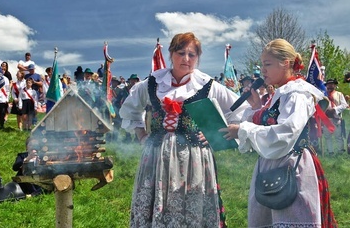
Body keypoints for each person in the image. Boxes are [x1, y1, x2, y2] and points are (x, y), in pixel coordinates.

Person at [119, 32, 246, 227]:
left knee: (192, 205)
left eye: (192, 55)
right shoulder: (152, 83)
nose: (186, 59)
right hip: (156, 156)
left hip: (193, 157)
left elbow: (240, 109)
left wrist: (215, 133)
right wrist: (141, 134)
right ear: (171, 54)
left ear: (198, 58)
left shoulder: (207, 85)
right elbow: (130, 110)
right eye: (180, 53)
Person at [221, 38, 337, 227]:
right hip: (273, 164)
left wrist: (243, 130)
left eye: (267, 64)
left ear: (286, 63)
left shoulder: (298, 93)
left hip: (293, 165)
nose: (262, 70)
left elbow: (286, 133)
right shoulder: (281, 92)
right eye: (262, 64)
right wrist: (257, 108)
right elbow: (269, 123)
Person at [323, 78, 348, 155]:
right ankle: (330, 152)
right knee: (327, 136)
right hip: (326, 118)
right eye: (328, 84)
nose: (330, 85)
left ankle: (340, 151)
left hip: (336, 118)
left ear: (334, 85)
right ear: (326, 85)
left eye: (332, 84)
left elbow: (344, 105)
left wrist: (335, 109)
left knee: (338, 136)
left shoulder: (339, 94)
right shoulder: (323, 95)